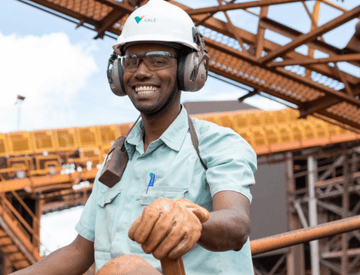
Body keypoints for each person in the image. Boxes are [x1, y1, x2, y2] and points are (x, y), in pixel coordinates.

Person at [11, 0, 257, 274]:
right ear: (118, 73)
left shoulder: (219, 145)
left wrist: (195, 219)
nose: (141, 72)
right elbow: (79, 251)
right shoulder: (117, 160)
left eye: (158, 60)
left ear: (188, 69)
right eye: (130, 61)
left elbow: (236, 224)